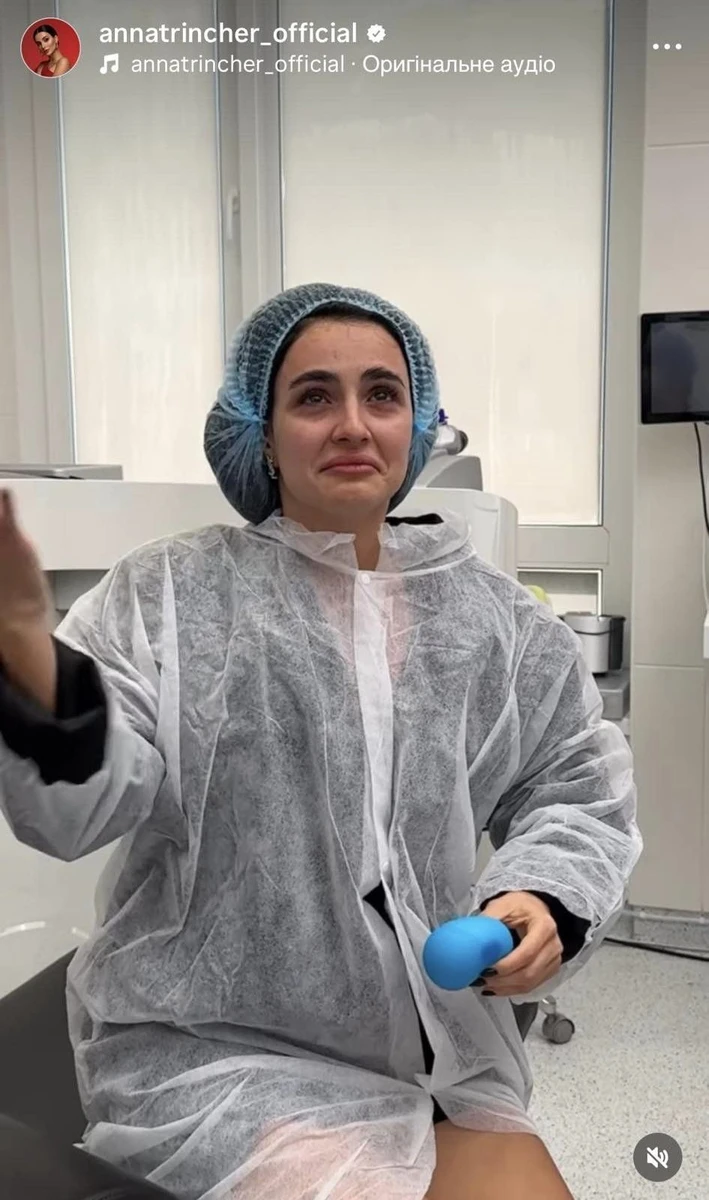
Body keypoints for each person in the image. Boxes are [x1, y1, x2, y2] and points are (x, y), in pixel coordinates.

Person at [0, 282, 642, 1199]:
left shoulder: (496, 620)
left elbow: (574, 783)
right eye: (312, 397)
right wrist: (28, 655)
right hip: (214, 1048)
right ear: (260, 434)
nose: (351, 424)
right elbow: (83, 806)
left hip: (436, 1049)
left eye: (381, 394)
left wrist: (545, 896)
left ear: (416, 424)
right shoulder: (171, 598)